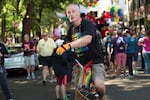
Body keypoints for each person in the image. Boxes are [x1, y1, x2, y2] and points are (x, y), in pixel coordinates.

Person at [56, 4, 105, 100]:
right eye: (68, 12)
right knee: (79, 92)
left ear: (79, 13)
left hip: (94, 60)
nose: (71, 14)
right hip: (80, 64)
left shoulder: (87, 24)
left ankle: (101, 98)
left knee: (99, 86)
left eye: (73, 11)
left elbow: (87, 39)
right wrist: (59, 48)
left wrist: (69, 45)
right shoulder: (71, 29)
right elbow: (66, 42)